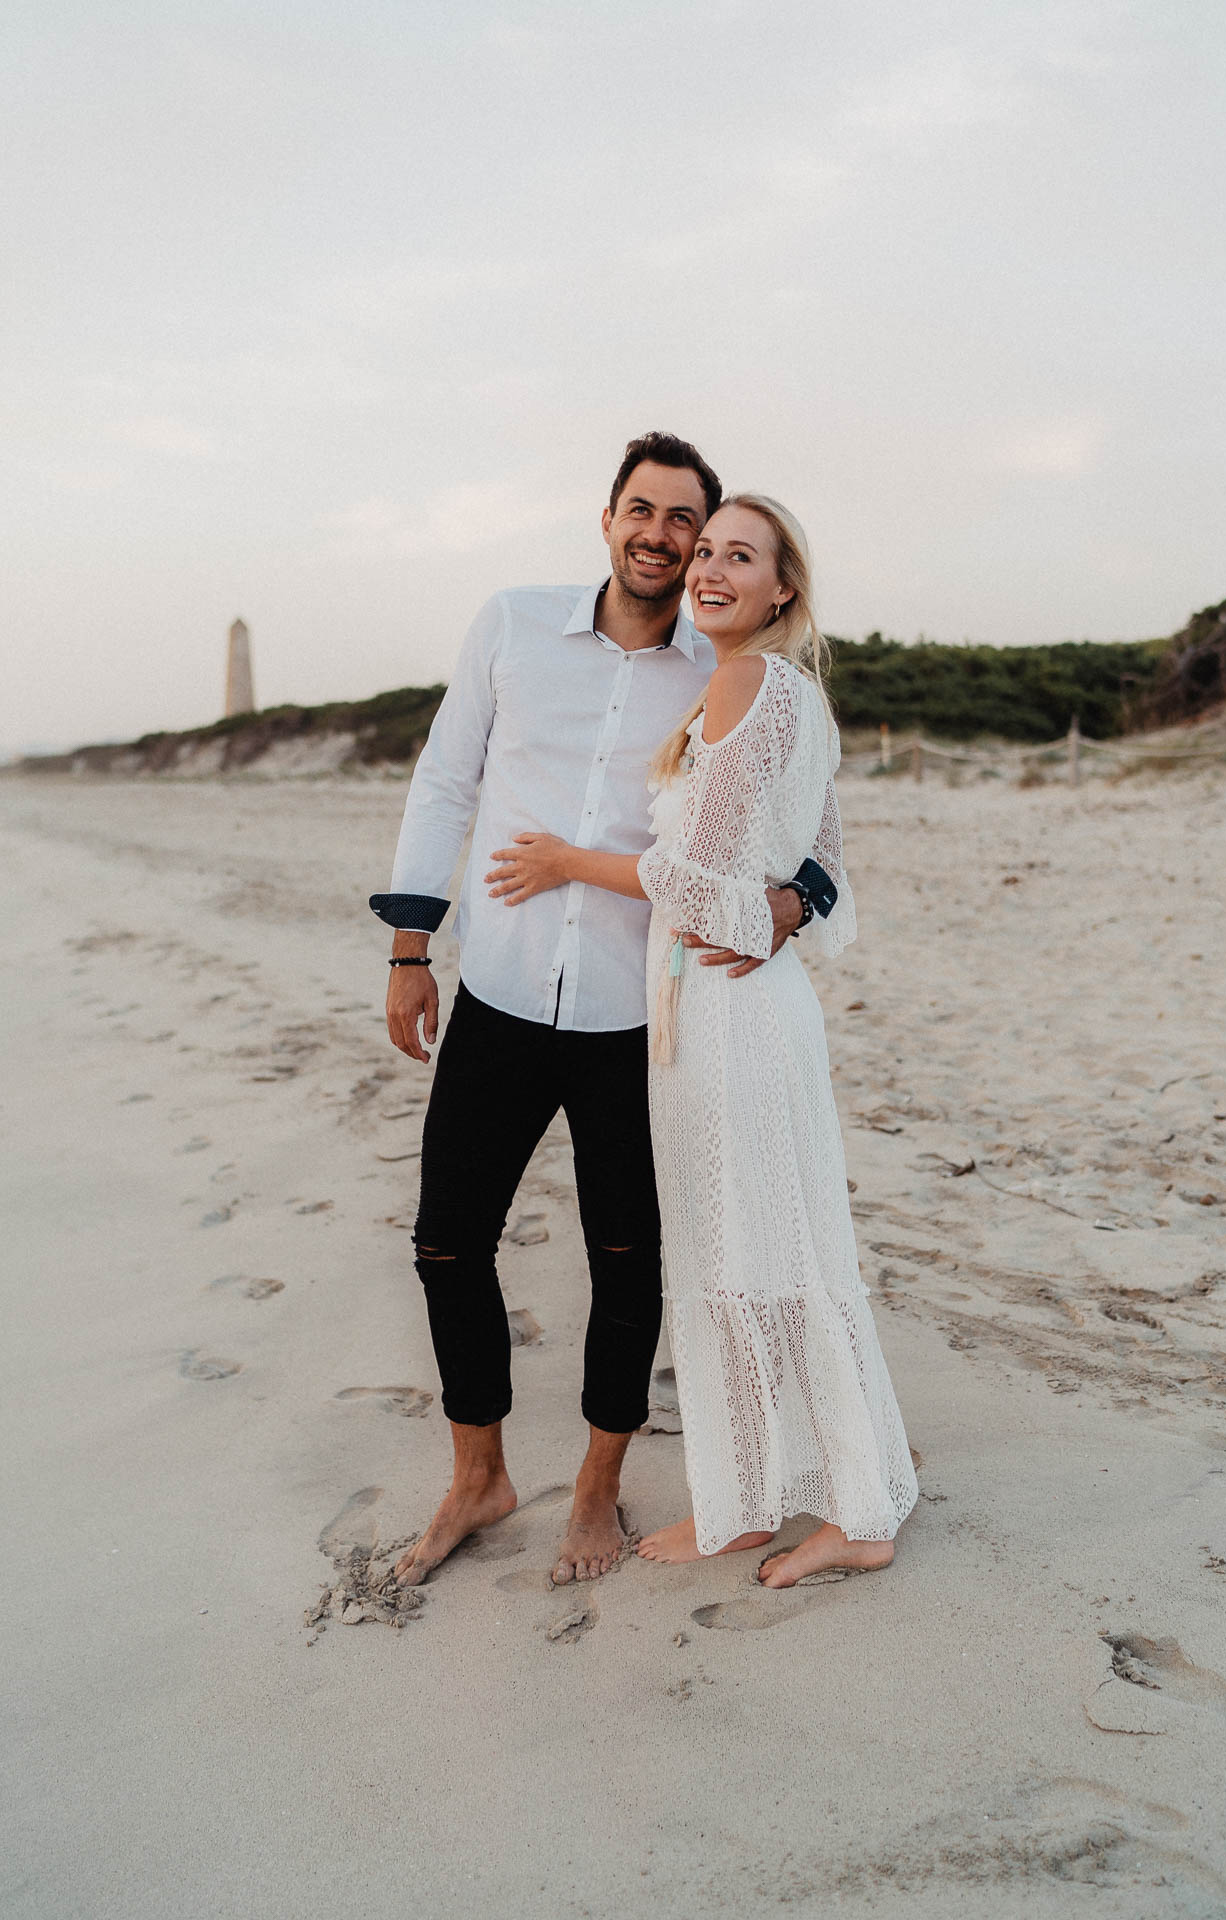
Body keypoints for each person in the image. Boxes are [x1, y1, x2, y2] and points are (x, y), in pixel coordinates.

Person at [371, 435, 833, 1588]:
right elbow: (445, 779)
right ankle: (478, 1474)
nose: (663, 537)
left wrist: (792, 904)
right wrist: (409, 947)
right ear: (608, 518)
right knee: (445, 1239)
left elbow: (816, 824)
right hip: (507, 987)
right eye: (645, 511)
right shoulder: (514, 623)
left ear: (707, 542)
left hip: (645, 1014)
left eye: (688, 522)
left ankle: (595, 1487)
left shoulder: (725, 663)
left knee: (627, 1260)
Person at [487, 494, 918, 1585]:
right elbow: (818, 858)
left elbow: (699, 879)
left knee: (763, 1257)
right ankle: (754, 1503)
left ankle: (852, 1515)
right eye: (706, 552)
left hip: (730, 1017)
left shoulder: (745, 682)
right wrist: (791, 904)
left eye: (742, 557)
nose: (712, 570)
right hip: (731, 1009)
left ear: (784, 588)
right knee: (748, 1254)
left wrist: (569, 862)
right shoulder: (793, 695)